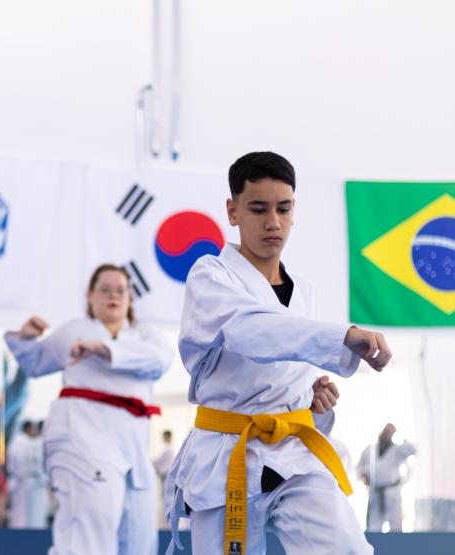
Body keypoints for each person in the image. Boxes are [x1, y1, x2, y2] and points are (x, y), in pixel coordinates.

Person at [164, 151, 393, 555]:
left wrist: (313, 399)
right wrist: (344, 336)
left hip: (293, 452)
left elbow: (292, 357)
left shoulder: (305, 292)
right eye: (258, 209)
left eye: (283, 209)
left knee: (347, 548)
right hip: (226, 451)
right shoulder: (210, 276)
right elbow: (252, 331)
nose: (273, 222)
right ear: (233, 212)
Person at [5, 264, 173, 555]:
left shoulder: (146, 336)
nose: (113, 296)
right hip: (82, 432)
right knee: (89, 531)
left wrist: (102, 350)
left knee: (140, 540)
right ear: (90, 295)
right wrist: (26, 338)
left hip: (133, 445)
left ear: (130, 297)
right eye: (104, 290)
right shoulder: (75, 331)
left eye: (120, 290)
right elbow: (36, 362)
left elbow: (161, 360)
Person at [357, 423, 417, 532]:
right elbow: (360, 467)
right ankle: (374, 542)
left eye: (390, 432)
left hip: (392, 491)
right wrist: (364, 476)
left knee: (395, 525)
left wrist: (401, 437)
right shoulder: (370, 449)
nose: (386, 434)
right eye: (386, 431)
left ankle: (396, 542)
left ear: (393, 434)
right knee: (374, 525)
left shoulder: (398, 449)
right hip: (375, 491)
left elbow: (413, 450)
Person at [7, 420, 50, 529]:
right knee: (23, 512)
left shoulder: (32, 442)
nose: (35, 431)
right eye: (33, 429)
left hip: (32, 480)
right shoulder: (20, 442)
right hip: (22, 479)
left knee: (33, 512)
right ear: (28, 429)